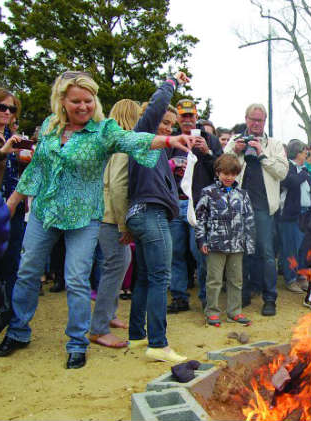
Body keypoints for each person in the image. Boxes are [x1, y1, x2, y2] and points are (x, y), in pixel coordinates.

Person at [0, 71, 194, 369]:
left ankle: (77, 342)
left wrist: (168, 139)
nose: (83, 106)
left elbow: (132, 138)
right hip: (45, 211)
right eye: (76, 101)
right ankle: (19, 331)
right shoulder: (50, 126)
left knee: (77, 278)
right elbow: (37, 167)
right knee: (27, 272)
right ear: (62, 101)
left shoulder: (103, 131)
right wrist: (12, 203)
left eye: (89, 100)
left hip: (84, 216)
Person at [90, 72, 190, 349]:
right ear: (148, 120)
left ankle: (136, 337)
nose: (168, 128)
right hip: (150, 215)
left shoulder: (157, 151)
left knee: (146, 277)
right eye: (164, 122)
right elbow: (156, 106)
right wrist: (172, 82)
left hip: (147, 216)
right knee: (161, 278)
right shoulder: (141, 137)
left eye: (172, 124)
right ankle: (158, 345)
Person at [224, 103, 287, 316]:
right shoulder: (235, 142)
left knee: (267, 254)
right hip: (238, 206)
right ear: (246, 118)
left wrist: (262, 155)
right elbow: (222, 166)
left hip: (262, 208)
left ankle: (270, 299)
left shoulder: (275, 145)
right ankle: (242, 295)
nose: (256, 124)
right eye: (252, 119)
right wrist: (235, 150)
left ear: (265, 121)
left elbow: (282, 173)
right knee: (239, 253)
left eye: (260, 120)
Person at [167, 99, 222, 313]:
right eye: (184, 116)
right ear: (178, 118)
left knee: (199, 251)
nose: (188, 120)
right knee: (176, 253)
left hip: (199, 205)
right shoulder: (171, 140)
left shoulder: (210, 139)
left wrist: (207, 152)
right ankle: (179, 297)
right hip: (175, 203)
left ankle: (207, 298)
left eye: (191, 115)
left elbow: (222, 170)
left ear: (196, 115)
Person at [195, 154, 255, 327]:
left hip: (237, 245)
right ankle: (212, 312)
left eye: (233, 174)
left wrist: (249, 243)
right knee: (214, 280)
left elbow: (249, 219)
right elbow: (201, 219)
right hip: (215, 244)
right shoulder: (208, 192)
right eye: (225, 173)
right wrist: (202, 241)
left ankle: (234, 312)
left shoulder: (242, 194)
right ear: (218, 172)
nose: (229, 177)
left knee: (236, 280)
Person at [0, 88, 26, 312]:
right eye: (1, 107)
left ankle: (7, 314)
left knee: (11, 264)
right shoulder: (3, 142)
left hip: (14, 206)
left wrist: (26, 158)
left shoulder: (13, 138)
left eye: (11, 108)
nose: (7, 112)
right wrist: (3, 152)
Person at [279, 139, 311, 294]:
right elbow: (291, 181)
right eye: (305, 152)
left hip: (305, 213)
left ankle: (301, 276)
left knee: (303, 248)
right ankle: (290, 279)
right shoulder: (288, 167)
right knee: (290, 249)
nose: (307, 155)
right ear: (298, 153)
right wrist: (305, 174)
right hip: (291, 215)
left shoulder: (304, 169)